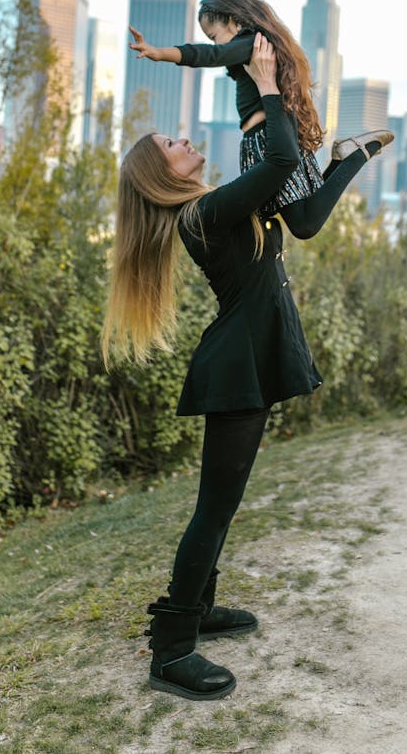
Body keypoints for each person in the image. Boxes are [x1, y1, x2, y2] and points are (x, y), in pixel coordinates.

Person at [103, 35, 322, 701]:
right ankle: (171, 649)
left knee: (222, 508)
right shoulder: (203, 211)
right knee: (213, 509)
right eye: (170, 143)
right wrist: (263, 79)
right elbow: (281, 157)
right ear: (161, 174)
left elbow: (295, 190)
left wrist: (345, 158)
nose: (181, 139)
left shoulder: (214, 206)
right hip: (235, 370)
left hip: (244, 360)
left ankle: (197, 608)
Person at [128, 0, 393, 239]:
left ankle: (354, 156)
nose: (216, 44)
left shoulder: (250, 42)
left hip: (268, 138)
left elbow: (209, 56)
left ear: (232, 19)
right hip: (268, 135)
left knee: (303, 224)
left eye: (214, 36)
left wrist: (160, 53)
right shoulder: (256, 45)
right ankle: (344, 157)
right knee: (303, 218)